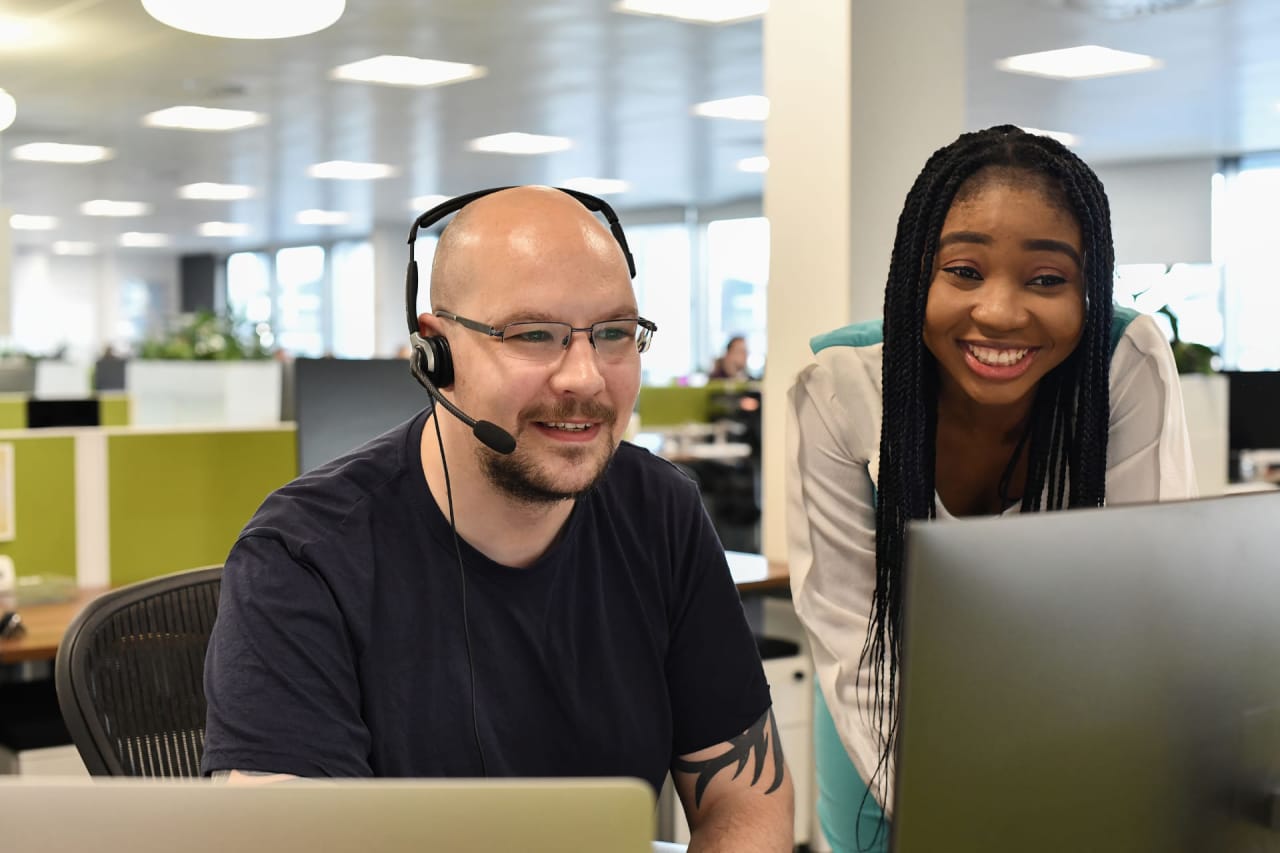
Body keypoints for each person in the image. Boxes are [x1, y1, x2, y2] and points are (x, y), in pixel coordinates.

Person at [202, 186, 794, 851]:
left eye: (614, 334)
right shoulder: (303, 556)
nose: (585, 378)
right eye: (533, 335)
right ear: (435, 354)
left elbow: (748, 802)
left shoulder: (662, 513)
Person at [786, 126, 1196, 853]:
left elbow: (1139, 617)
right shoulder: (842, 388)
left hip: (1073, 736)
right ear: (919, 272)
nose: (1001, 311)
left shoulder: (1122, 364)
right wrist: (963, 813)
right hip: (885, 729)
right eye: (965, 271)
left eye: (1046, 279)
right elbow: (852, 638)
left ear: (1086, 286)